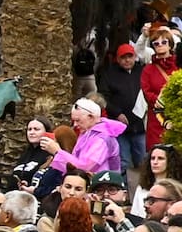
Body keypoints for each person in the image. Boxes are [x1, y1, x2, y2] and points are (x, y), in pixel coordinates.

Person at [39, 98, 124, 178]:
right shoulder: (86, 133)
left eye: (78, 120)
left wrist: (57, 151)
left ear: (91, 117)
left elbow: (86, 168)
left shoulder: (103, 138)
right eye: (73, 121)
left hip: (102, 189)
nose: (75, 125)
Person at [99, 43, 146, 172]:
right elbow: (104, 98)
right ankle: (123, 190)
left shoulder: (142, 71)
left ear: (134, 57)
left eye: (130, 56)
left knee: (143, 160)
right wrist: (117, 113)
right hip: (120, 126)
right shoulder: (109, 74)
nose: (127, 60)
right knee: (123, 162)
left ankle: (143, 190)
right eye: (123, 57)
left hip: (140, 125)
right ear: (118, 59)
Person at [139, 25, 177, 148]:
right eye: (156, 43)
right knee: (157, 151)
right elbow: (146, 91)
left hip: (177, 114)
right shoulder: (148, 69)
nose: (160, 45)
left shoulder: (178, 66)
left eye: (164, 42)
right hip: (157, 117)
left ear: (170, 45)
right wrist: (160, 101)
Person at [130, 145, 182, 220]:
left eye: (160, 158)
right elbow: (135, 213)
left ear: (170, 162)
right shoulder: (142, 187)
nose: (155, 162)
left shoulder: (177, 188)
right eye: (152, 158)